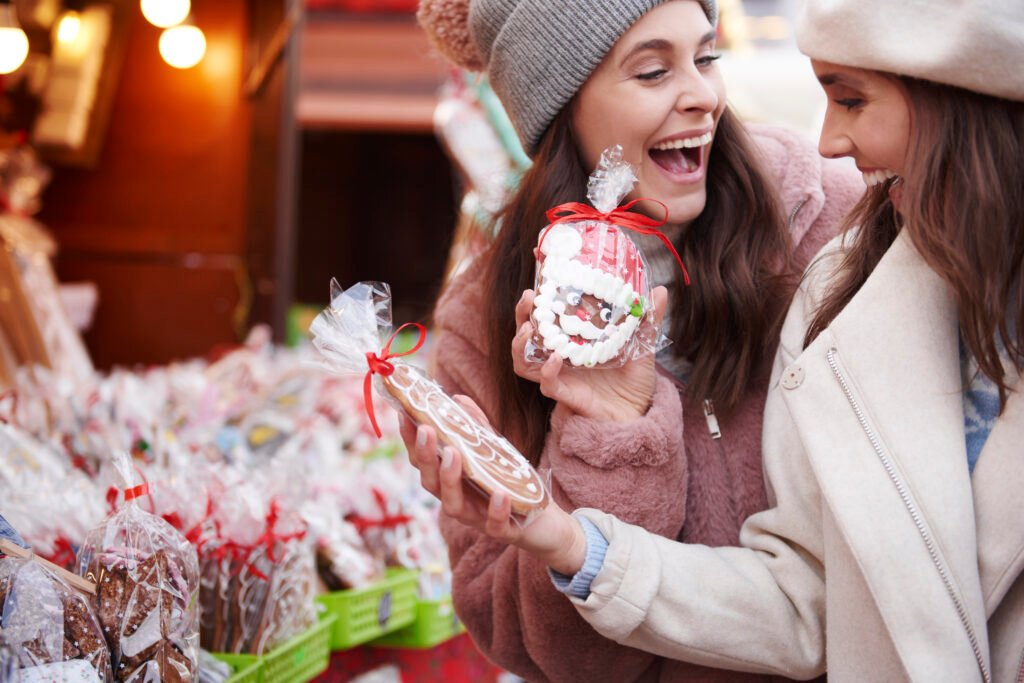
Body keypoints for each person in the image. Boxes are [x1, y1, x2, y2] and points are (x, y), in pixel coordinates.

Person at [411, 0, 1024, 681]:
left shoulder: (839, 231)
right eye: (651, 72)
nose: (703, 95)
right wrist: (604, 458)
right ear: (561, 109)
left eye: (707, 58)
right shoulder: (487, 318)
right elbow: (545, 646)